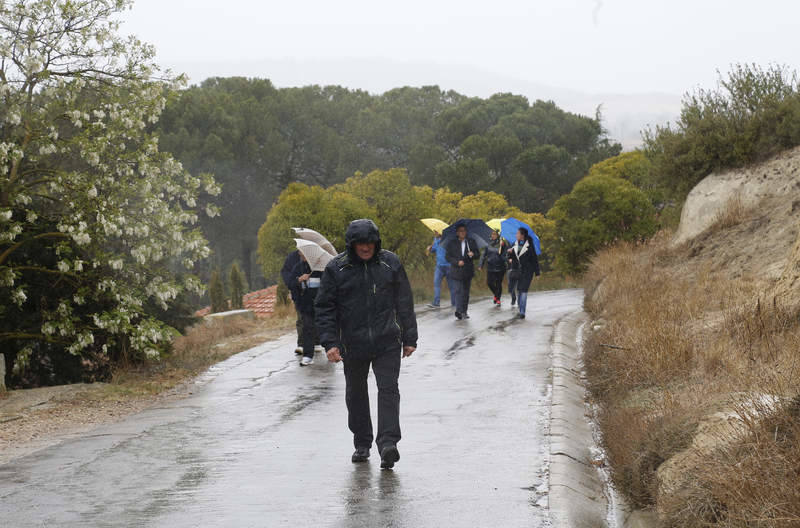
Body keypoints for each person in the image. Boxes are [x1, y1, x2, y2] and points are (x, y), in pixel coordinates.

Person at [315, 219, 418, 469]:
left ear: (376, 243)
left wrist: (410, 337)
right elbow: (324, 308)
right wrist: (330, 343)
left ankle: (388, 444)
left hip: (387, 340)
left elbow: (404, 300)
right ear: (352, 245)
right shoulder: (336, 269)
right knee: (356, 393)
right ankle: (362, 443)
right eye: (360, 243)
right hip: (352, 343)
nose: (366, 247)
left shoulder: (390, 263)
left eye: (370, 243)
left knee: (388, 390)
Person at [291, 253, 322, 366]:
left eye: (303, 254)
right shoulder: (298, 267)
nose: (301, 255)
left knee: (325, 328)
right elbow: (291, 283)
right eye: (300, 253)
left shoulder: (321, 268)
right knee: (308, 328)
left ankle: (332, 350)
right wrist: (299, 279)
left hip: (321, 304)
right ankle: (308, 356)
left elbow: (328, 284)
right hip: (306, 305)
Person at [446, 223, 478, 320]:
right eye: (460, 231)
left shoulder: (471, 242)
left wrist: (472, 254)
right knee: (457, 291)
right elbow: (448, 257)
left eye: (464, 231)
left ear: (466, 232)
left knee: (465, 292)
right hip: (456, 271)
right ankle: (459, 311)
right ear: (457, 233)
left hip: (467, 271)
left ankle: (464, 311)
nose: (462, 232)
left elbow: (477, 254)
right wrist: (456, 262)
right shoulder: (452, 243)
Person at [507, 227, 541, 319]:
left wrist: (537, 272)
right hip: (518, 271)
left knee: (524, 291)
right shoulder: (514, 244)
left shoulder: (530, 245)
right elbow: (512, 257)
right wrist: (510, 253)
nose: (516, 235)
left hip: (528, 271)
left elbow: (534, 259)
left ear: (522, 235)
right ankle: (520, 309)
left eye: (517, 233)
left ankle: (522, 312)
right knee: (519, 290)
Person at [280, 250, 304, 354]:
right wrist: (298, 280)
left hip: (314, 294)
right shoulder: (292, 258)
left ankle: (316, 342)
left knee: (315, 319)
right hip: (299, 294)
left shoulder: (315, 258)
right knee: (301, 318)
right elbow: (287, 276)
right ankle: (301, 344)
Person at [478, 230, 508, 306]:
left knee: (498, 283)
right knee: (489, 283)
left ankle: (498, 299)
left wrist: (503, 246)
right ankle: (496, 295)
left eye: (495, 234)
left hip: (500, 267)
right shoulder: (488, 244)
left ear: (498, 235)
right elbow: (483, 255)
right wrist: (480, 265)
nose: (493, 235)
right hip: (490, 266)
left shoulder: (502, 244)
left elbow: (505, 255)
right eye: (492, 234)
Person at [426, 231, 455, 308]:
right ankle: (436, 303)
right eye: (434, 232)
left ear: (441, 232)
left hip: (449, 266)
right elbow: (434, 249)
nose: (435, 233)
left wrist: (438, 240)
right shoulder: (435, 239)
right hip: (439, 266)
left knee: (451, 286)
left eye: (436, 232)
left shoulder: (448, 239)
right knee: (436, 284)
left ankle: (454, 303)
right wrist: (430, 248)